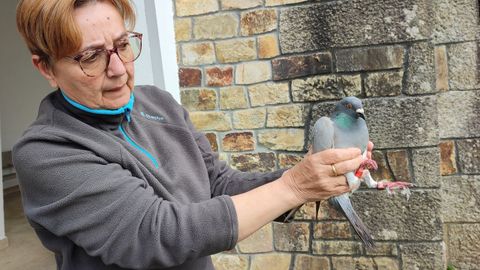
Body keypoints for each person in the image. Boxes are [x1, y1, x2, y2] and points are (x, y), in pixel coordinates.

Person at [13, 0, 371, 269]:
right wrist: (293, 187)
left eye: (123, 45)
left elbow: (217, 182)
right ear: (45, 67)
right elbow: (157, 233)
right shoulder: (46, 153)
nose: (119, 70)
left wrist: (310, 172)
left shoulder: (158, 103)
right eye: (91, 57)